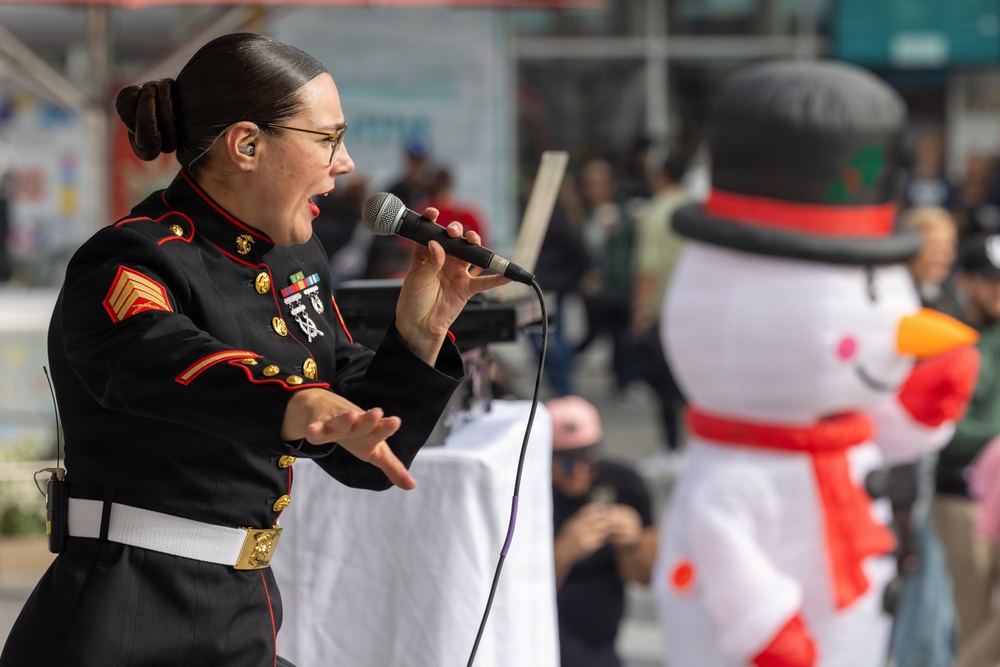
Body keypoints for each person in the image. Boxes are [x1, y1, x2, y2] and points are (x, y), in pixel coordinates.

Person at [0, 32, 508, 667]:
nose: (346, 164)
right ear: (246, 144)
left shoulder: (294, 255)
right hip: (129, 615)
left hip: (239, 612)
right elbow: (168, 361)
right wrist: (298, 406)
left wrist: (420, 333)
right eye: (328, 139)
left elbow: (361, 450)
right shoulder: (131, 258)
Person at [889, 206, 961, 667]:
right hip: (901, 449)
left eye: (947, 249)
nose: (941, 257)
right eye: (933, 247)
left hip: (934, 449)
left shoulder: (948, 299)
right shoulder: (896, 301)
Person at [931, 232, 1000, 667]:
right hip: (961, 500)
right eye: (992, 280)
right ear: (968, 280)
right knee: (973, 622)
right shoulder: (950, 338)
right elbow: (941, 432)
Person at [548, 395, 656, 667]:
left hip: (603, 642)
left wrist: (632, 544)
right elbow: (512, 591)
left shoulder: (624, 483)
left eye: (589, 458)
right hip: (549, 635)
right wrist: (564, 551)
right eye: (567, 463)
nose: (580, 471)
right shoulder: (527, 494)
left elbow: (647, 577)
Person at [631, 153, 690, 461]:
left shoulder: (656, 212)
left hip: (663, 313)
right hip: (694, 312)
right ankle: (693, 446)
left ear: (662, 175)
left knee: (665, 384)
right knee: (692, 382)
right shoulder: (696, 208)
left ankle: (670, 448)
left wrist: (639, 311)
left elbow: (647, 269)